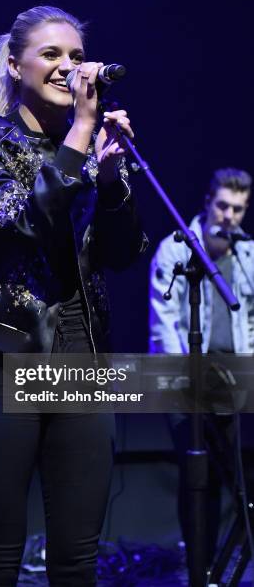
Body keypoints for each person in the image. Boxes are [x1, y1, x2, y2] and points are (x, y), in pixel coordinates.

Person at [0, 5, 147, 586]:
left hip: (81, 362)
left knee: (77, 560)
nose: (70, 68)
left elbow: (122, 254)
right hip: (1, 357)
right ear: (15, 66)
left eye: (78, 57)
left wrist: (111, 183)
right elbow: (24, 219)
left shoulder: (87, 149)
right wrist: (83, 136)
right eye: (52, 54)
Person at [149, 167, 254, 565]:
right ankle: (199, 567)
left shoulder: (248, 255)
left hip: (232, 383)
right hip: (183, 384)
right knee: (199, 478)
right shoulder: (175, 251)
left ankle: (225, 565)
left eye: (238, 209)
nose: (229, 216)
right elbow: (165, 327)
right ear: (208, 203)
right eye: (223, 206)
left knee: (235, 482)